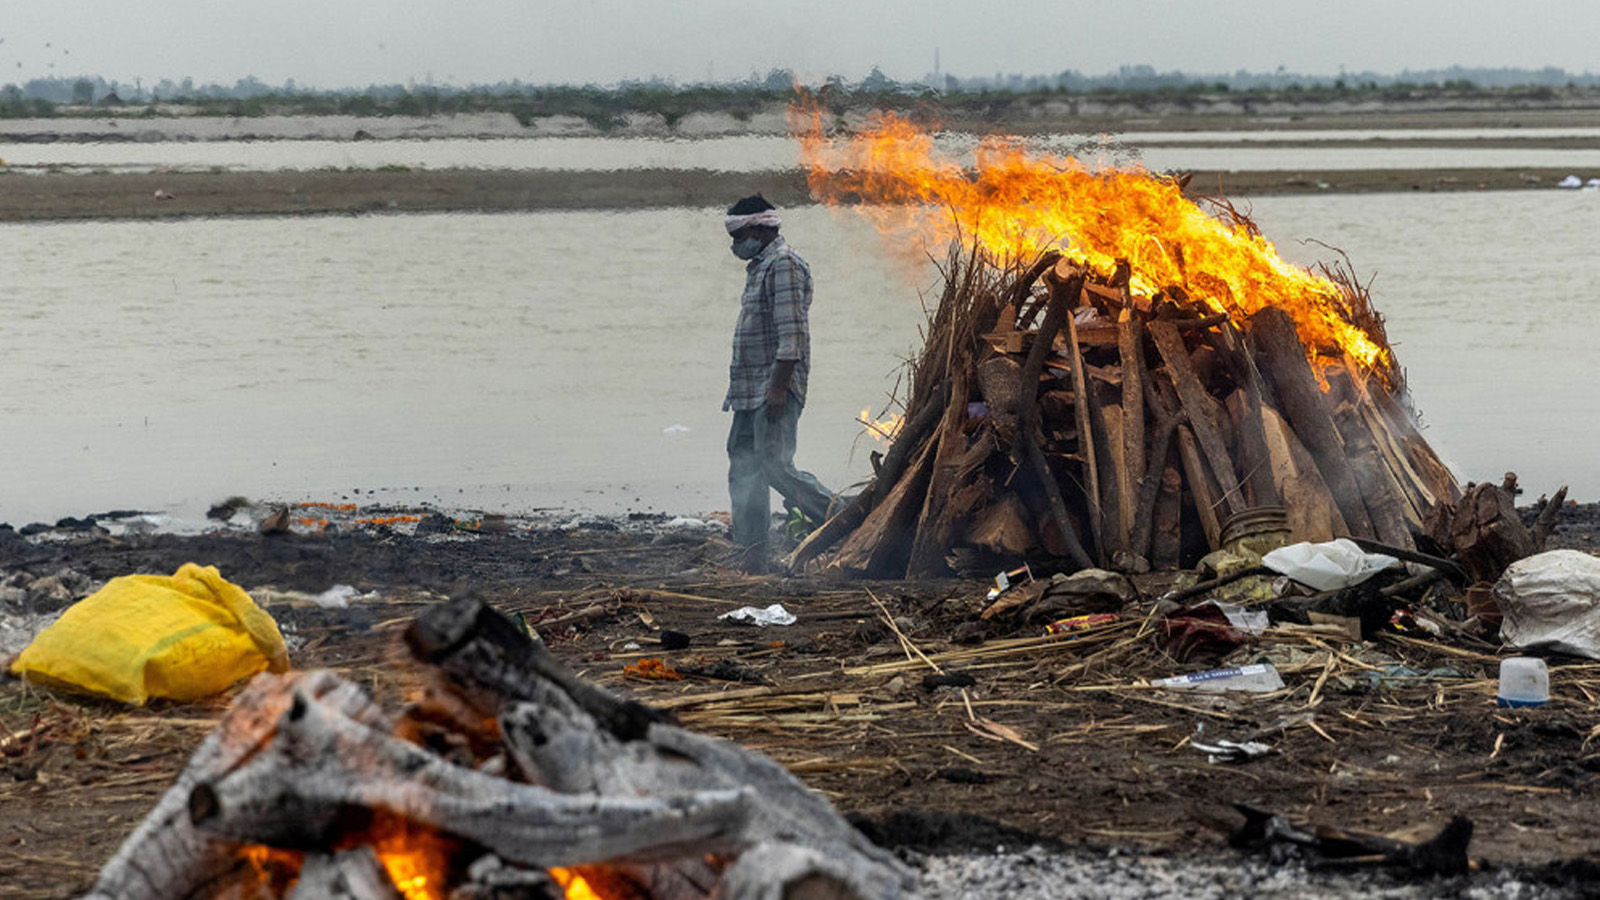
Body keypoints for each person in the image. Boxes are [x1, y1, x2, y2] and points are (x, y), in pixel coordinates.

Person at [721, 195, 836, 573]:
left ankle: (843, 519)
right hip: (747, 390)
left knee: (775, 467)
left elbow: (792, 338)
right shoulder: (760, 267)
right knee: (743, 465)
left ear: (759, 229)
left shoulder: (784, 265)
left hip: (772, 390)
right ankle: (751, 552)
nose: (736, 244)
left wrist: (777, 389)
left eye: (739, 234)